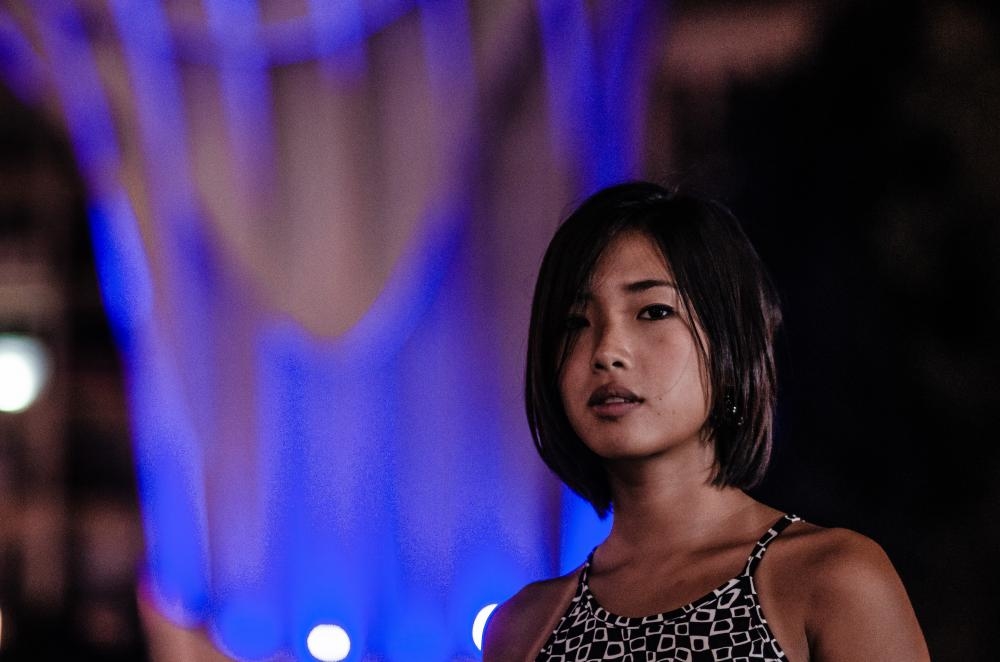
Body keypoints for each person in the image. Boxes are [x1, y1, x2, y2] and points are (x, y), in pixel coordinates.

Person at [483, 182, 929, 661]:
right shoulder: (523, 628)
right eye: (575, 322)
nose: (607, 351)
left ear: (730, 343)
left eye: (654, 312)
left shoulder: (829, 579)